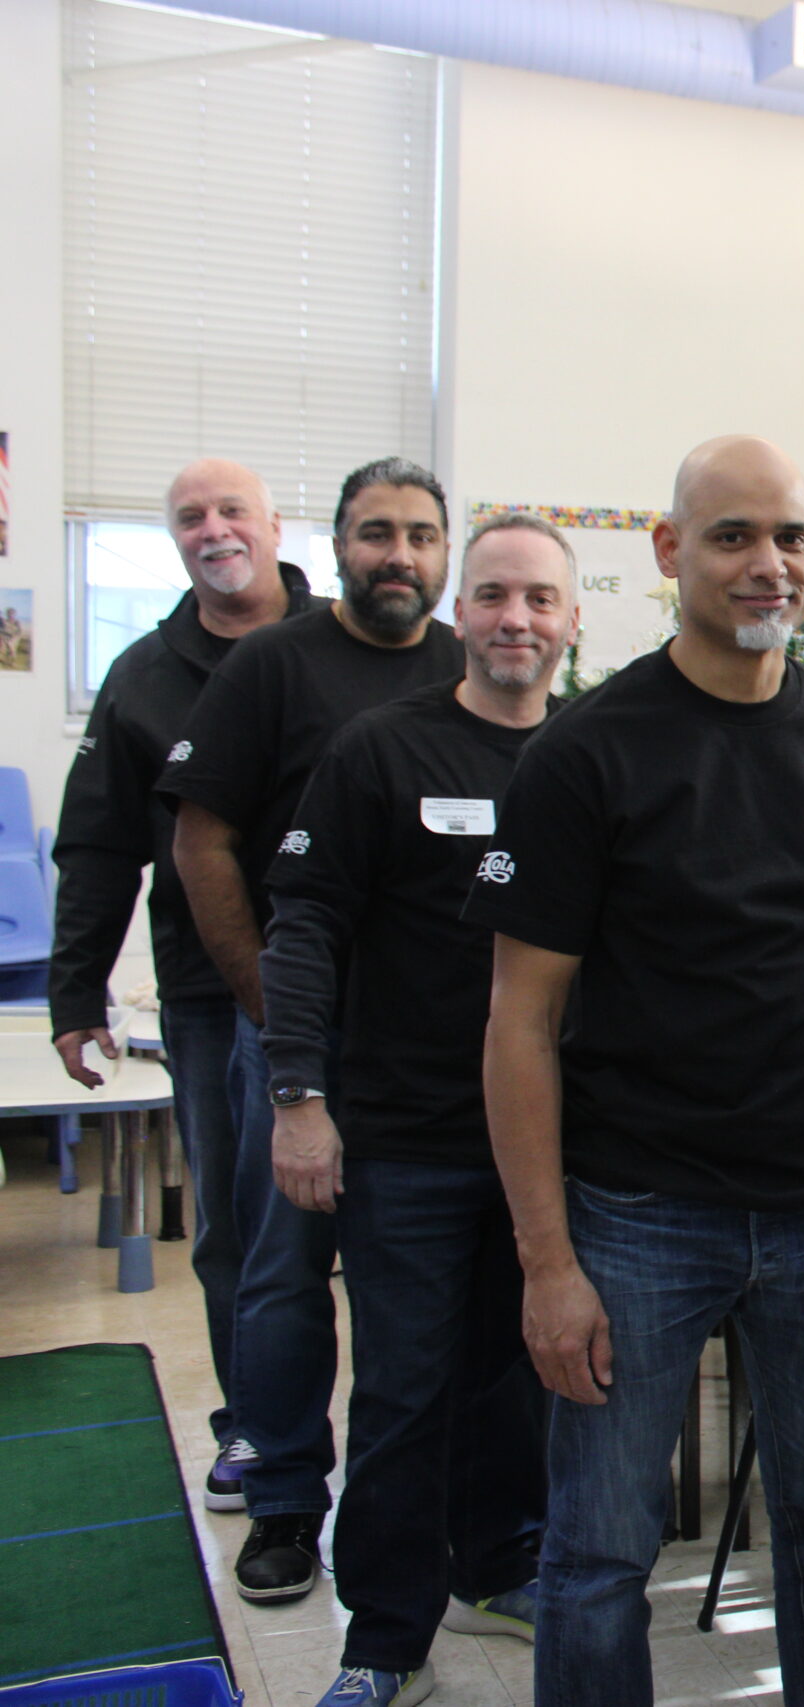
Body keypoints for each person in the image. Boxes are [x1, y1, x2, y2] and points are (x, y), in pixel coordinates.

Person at [466, 436, 804, 1706]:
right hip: (636, 1217)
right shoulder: (587, 753)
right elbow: (519, 1018)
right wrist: (548, 1262)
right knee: (604, 1547)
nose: (764, 563)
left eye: (788, 536)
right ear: (671, 552)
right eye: (731, 536)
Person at [258, 512, 577, 1707]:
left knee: (519, 1376)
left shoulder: (586, 760)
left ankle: (501, 1564)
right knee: (403, 1391)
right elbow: (304, 931)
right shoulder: (378, 752)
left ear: (572, 621)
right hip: (406, 1143)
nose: (516, 621)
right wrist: (299, 1097)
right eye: (494, 596)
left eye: (540, 600)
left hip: (546, 1150)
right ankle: (383, 1639)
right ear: (461, 613)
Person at [161, 457, 466, 1603]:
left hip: (428, 1058)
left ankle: (424, 1514)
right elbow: (201, 842)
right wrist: (267, 1010)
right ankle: (286, 1500)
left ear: (447, 552)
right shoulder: (269, 667)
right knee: (284, 1277)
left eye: (422, 536)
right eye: (377, 532)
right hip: (299, 1041)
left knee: (414, 1286)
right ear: (335, 544)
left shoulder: (468, 665)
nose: (400, 555)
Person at [49, 458, 313, 1511]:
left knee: (401, 1226)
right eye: (190, 517)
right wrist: (77, 994)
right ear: (175, 540)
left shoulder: (346, 643)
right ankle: (254, 1429)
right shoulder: (143, 678)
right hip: (211, 994)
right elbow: (100, 844)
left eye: (231, 510)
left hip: (373, 992)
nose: (214, 529)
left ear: (273, 524)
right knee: (237, 1232)